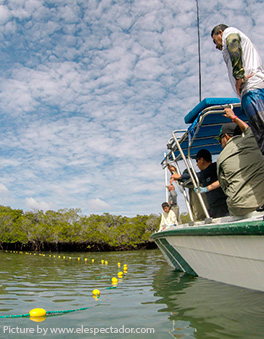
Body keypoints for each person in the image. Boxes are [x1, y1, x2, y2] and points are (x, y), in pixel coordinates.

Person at [211, 24, 264, 154]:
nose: (216, 46)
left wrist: (239, 76)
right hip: (253, 90)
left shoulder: (230, 33)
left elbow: (232, 41)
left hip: (252, 90)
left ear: (220, 32)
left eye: (215, 41)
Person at [216, 107, 264, 216]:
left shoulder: (221, 158)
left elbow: (224, 185)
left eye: (220, 139)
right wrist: (234, 117)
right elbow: (248, 129)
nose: (220, 142)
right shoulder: (253, 140)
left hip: (240, 207)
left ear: (226, 136)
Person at [169, 150, 229, 218]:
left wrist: (180, 176)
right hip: (213, 208)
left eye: (197, 161)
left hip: (223, 207)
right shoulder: (203, 176)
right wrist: (174, 173)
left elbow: (199, 176)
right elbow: (188, 182)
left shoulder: (214, 168)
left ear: (201, 160)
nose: (197, 164)